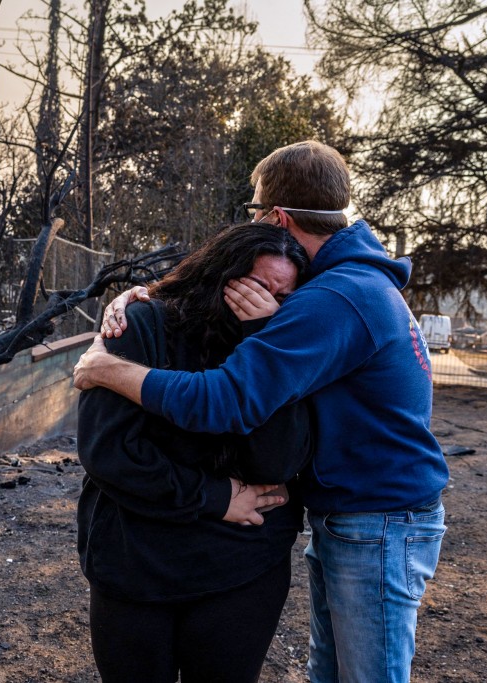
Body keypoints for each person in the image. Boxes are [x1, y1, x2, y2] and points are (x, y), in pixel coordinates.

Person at [74, 140, 449, 683]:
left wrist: (110, 370)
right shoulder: (347, 282)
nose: (269, 295)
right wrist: (144, 297)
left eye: (255, 212)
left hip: (378, 521)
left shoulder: (335, 297)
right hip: (362, 518)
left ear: (276, 216)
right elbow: (208, 283)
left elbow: (228, 399)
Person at [77, 223, 314, 683]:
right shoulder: (140, 324)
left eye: (282, 297)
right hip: (136, 562)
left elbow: (278, 463)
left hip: (242, 566)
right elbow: (110, 452)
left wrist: (263, 339)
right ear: (219, 275)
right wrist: (214, 497)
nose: (267, 302)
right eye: (256, 287)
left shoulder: (282, 344)